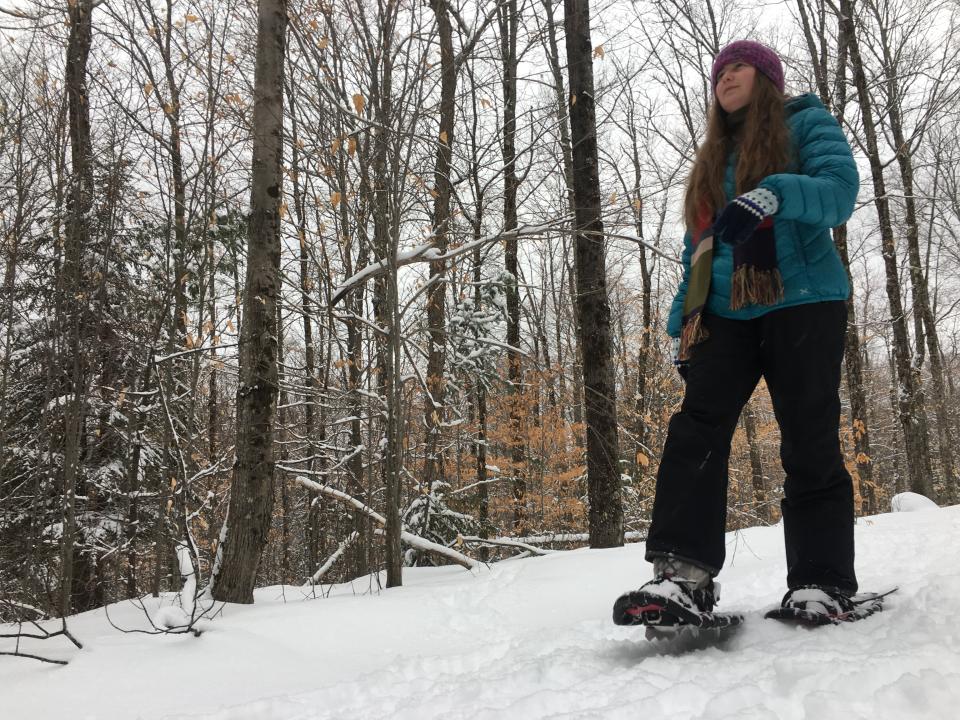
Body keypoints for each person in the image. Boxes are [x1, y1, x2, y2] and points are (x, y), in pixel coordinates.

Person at [613, 40, 861, 626]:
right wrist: (683, 326)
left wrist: (775, 191)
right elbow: (697, 251)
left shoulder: (806, 123)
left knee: (808, 435)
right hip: (723, 312)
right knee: (696, 427)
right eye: (720, 70)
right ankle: (682, 577)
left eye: (739, 66)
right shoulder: (712, 157)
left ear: (767, 78)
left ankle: (820, 582)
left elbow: (839, 192)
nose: (726, 76)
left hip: (804, 302)